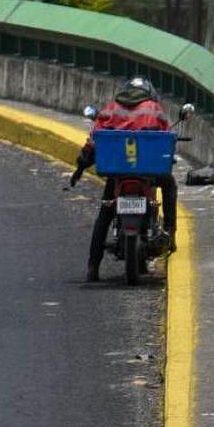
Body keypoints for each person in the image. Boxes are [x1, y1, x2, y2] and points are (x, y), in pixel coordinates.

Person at [69, 77, 178, 280]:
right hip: (147, 170)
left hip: (118, 172)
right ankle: (170, 232)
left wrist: (81, 165)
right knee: (169, 184)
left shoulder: (110, 109)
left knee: (105, 214)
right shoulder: (154, 109)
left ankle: (93, 267)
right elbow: (166, 138)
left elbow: (94, 141)